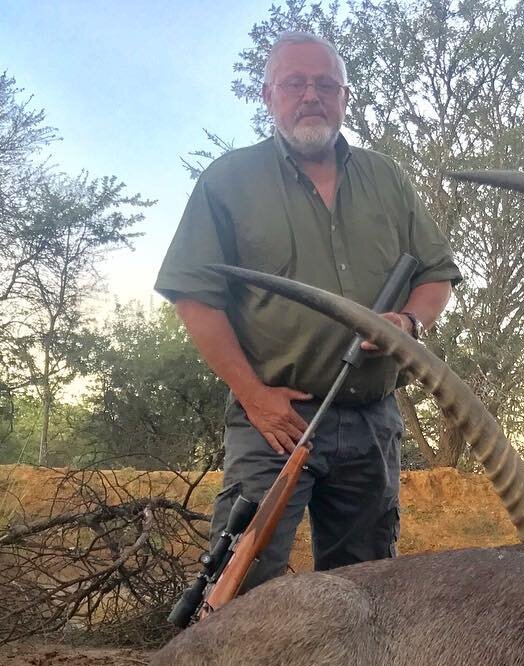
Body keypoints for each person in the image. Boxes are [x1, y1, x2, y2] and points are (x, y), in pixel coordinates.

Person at [156, 31, 460, 589]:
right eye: (295, 83)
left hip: (371, 418)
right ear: (268, 95)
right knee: (241, 584)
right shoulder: (228, 180)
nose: (311, 96)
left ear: (344, 97)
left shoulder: (387, 177)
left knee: (365, 591)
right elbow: (193, 295)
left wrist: (409, 323)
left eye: (325, 84)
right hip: (275, 422)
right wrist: (254, 397)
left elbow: (436, 273)